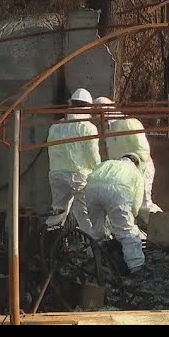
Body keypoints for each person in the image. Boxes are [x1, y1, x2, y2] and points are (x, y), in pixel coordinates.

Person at [93, 96, 162, 224]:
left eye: (98, 112)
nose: (97, 117)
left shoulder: (128, 122)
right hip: (125, 172)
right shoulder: (109, 129)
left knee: (143, 205)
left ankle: (166, 227)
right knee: (127, 204)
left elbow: (143, 150)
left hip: (140, 168)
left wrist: (134, 167)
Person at [45, 88, 100, 236]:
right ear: (88, 107)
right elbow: (93, 157)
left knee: (57, 212)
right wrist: (99, 174)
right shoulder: (88, 128)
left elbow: (51, 151)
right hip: (79, 175)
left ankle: (50, 248)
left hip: (56, 175)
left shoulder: (55, 126)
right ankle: (93, 253)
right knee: (84, 215)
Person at [85, 153, 146, 274]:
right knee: (127, 232)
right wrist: (132, 215)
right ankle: (136, 267)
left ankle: (94, 259)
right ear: (136, 164)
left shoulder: (107, 163)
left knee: (97, 230)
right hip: (117, 192)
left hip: (91, 190)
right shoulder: (135, 172)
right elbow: (136, 204)